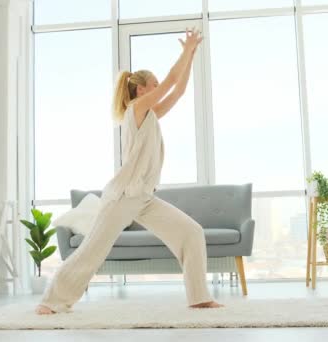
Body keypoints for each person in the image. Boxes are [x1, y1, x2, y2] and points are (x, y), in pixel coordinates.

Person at [36, 27, 223, 315]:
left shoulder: (150, 116)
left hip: (144, 197)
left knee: (191, 232)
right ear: (141, 90)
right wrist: (184, 52)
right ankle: (51, 300)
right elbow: (171, 82)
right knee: (92, 250)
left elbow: (179, 89)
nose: (159, 88)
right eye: (154, 85)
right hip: (124, 196)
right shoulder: (135, 109)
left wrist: (191, 56)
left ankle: (198, 297)